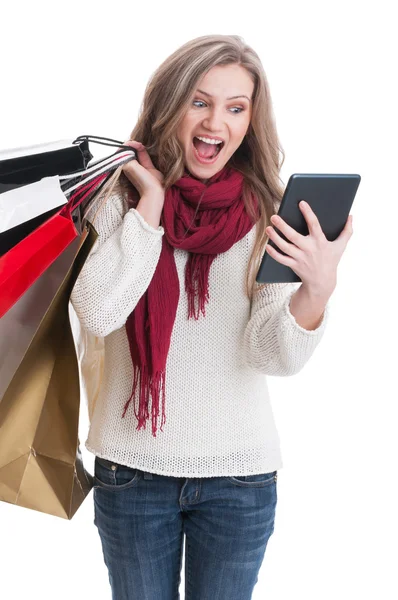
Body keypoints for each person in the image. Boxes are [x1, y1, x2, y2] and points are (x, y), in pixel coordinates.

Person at [70, 34, 351, 600]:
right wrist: (149, 204)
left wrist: (316, 292)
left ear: (251, 118)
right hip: (133, 470)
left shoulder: (265, 212)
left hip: (240, 477)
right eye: (200, 101)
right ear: (170, 105)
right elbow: (100, 311)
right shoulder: (114, 202)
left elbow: (269, 354)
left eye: (235, 106)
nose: (215, 122)